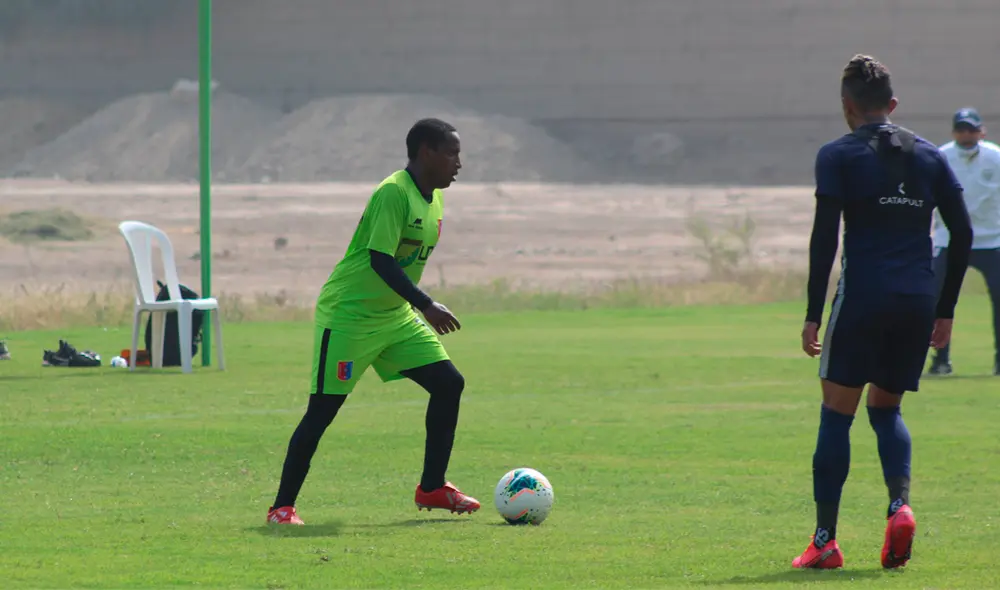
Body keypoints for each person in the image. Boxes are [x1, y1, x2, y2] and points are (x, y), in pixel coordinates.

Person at [794, 55, 973, 570]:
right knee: (887, 408)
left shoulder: (837, 155)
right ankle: (900, 505)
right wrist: (946, 310)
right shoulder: (931, 156)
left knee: (836, 413)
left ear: (847, 108)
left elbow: (825, 238)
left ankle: (825, 541)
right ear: (892, 106)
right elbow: (961, 234)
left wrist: (812, 312)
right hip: (917, 300)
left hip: (863, 297)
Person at [267, 118, 480, 525]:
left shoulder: (433, 199)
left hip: (394, 316)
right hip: (350, 316)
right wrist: (426, 304)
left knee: (449, 383)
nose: (459, 162)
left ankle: (432, 488)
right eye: (451, 153)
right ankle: (281, 508)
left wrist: (414, 307)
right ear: (425, 153)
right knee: (323, 410)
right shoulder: (392, 193)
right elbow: (379, 259)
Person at [928, 107, 1000, 376]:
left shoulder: (995, 157)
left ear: (982, 131)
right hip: (951, 239)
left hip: (991, 240)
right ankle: (940, 360)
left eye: (971, 129)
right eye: (961, 129)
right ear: (953, 131)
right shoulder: (942, 156)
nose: (966, 134)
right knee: (939, 300)